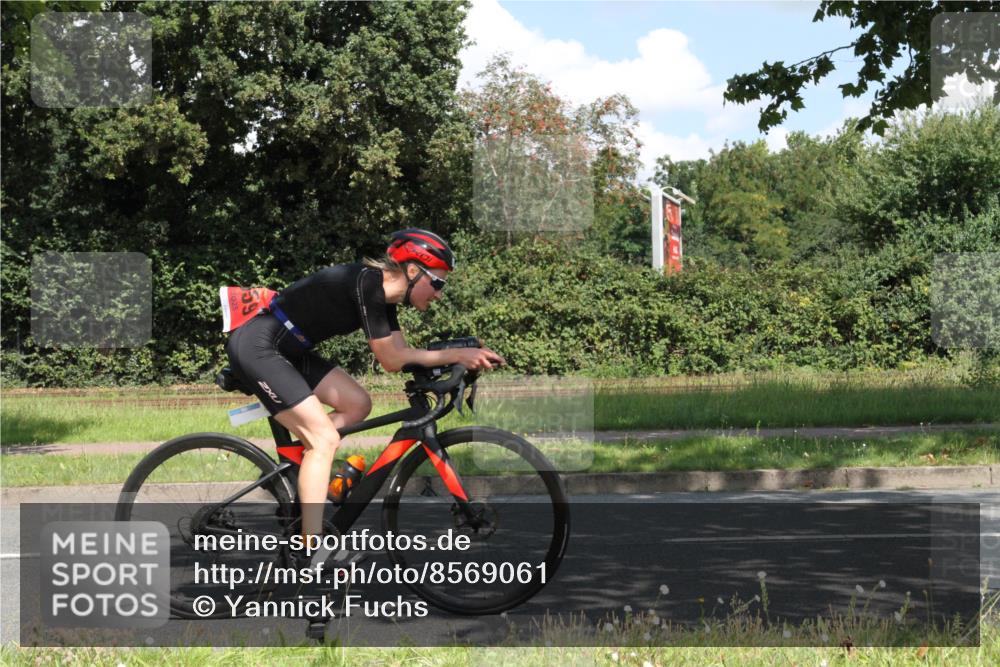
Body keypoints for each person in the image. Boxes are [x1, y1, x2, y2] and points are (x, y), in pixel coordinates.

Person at [224, 229, 505, 562]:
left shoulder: (386, 300)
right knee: (324, 440)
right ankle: (313, 549)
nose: (439, 294)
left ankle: (300, 467)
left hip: (289, 350)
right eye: (438, 283)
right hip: (259, 346)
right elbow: (392, 359)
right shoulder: (368, 283)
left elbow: (400, 354)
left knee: (358, 404)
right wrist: (457, 355)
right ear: (413, 271)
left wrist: (453, 357)